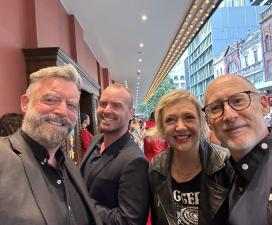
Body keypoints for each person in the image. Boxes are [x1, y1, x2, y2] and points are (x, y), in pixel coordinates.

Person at [0, 64, 102, 225]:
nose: (62, 111)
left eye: (71, 105)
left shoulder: (71, 168)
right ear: (25, 103)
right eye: (50, 100)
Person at [203, 74, 272, 225]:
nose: (229, 115)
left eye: (238, 100)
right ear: (209, 123)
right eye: (216, 108)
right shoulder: (230, 171)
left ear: (263, 105)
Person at [149, 89, 233, 225]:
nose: (180, 127)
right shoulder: (155, 167)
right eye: (170, 120)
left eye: (189, 117)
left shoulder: (226, 163)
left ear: (201, 122)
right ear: (162, 128)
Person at [81, 83, 149, 225]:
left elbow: (129, 221)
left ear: (131, 112)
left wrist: (81, 203)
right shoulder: (95, 141)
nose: (106, 110)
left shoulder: (134, 160)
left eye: (116, 106)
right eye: (103, 104)